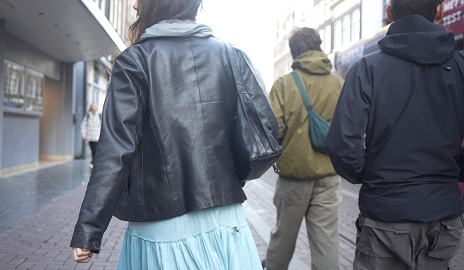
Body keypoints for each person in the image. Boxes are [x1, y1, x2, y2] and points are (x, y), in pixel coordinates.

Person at [70, 0, 268, 269]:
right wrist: (230, 178)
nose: (134, 5)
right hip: (228, 221)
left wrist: (89, 229)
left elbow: (114, 152)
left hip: (162, 225)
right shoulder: (230, 55)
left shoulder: (135, 62)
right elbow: (264, 129)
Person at [326, 1, 464, 269]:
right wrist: (454, 169)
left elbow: (342, 142)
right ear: (439, 10)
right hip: (444, 216)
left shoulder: (367, 68)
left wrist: (369, 174)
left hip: (385, 215)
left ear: (389, 13)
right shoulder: (460, 66)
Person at [263, 27, 343, 270]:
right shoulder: (338, 83)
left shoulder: (284, 84)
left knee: (282, 239)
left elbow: (272, 129)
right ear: (318, 45)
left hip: (293, 178)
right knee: (326, 243)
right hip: (329, 176)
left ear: (294, 52)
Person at [80, 103, 102, 168]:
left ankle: (93, 162)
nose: (94, 108)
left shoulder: (100, 116)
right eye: (93, 106)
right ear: (91, 107)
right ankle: (94, 161)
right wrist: (83, 134)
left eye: (95, 106)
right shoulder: (87, 116)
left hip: (97, 137)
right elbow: (83, 125)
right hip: (89, 137)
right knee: (92, 149)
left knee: (95, 149)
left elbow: (102, 126)